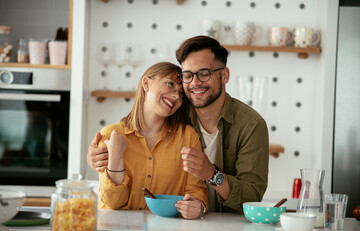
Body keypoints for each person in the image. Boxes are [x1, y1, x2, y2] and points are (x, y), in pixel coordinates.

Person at [88, 36, 269, 213]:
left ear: (224, 75)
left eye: (204, 74)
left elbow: (252, 198)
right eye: (188, 75)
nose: (194, 83)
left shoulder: (251, 126)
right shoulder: (174, 111)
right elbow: (140, 126)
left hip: (228, 224)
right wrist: (98, 156)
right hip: (183, 224)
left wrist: (212, 175)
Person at [96, 62, 208, 220]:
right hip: (116, 230)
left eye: (181, 94)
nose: (176, 96)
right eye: (170, 84)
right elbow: (113, 203)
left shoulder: (188, 137)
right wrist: (116, 158)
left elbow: (196, 190)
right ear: (146, 83)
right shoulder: (110, 135)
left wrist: (199, 206)